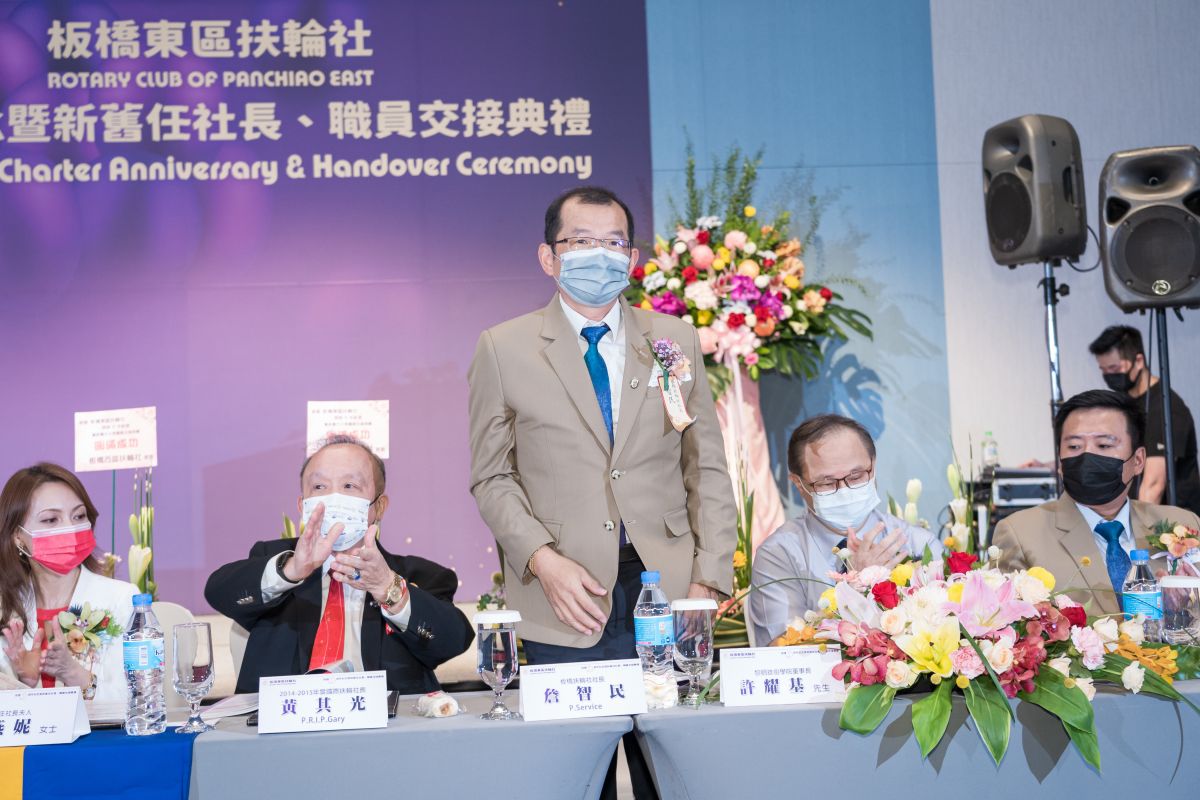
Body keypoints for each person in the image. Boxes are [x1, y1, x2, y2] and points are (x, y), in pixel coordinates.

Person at [468, 186, 736, 799]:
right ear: (549, 257)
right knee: (576, 781)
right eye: (581, 241)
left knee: (674, 778)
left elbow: (707, 468)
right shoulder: (503, 348)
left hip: (669, 593)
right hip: (566, 597)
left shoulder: (673, 339)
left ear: (633, 258)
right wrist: (543, 560)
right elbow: (492, 476)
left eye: (614, 242)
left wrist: (709, 581)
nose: (600, 255)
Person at [205, 436, 472, 693]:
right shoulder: (276, 560)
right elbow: (218, 592)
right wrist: (291, 571)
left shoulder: (419, 575)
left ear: (379, 506)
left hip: (383, 720)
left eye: (349, 486)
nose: (333, 497)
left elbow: (454, 641)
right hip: (285, 718)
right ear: (302, 505)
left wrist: (389, 589)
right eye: (319, 487)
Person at [995, 390, 1200, 614]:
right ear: (1060, 462)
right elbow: (1011, 624)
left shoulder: (1184, 525)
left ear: (1138, 460)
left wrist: (1181, 610)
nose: (1087, 456)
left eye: (1103, 445)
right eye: (1074, 446)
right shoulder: (1020, 535)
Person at [749, 415, 941, 645]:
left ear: (873, 466)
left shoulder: (917, 544)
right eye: (827, 483)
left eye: (856, 476)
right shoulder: (779, 554)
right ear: (799, 484)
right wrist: (853, 590)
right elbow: (779, 652)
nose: (844, 490)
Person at [0, 463, 138, 703]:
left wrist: (74, 674)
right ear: (18, 537)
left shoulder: (122, 599)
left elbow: (139, 697)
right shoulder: (6, 608)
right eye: (51, 519)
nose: (70, 529)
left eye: (79, 516)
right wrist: (26, 684)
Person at [1090, 324, 1200, 515]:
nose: (1109, 375)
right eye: (1104, 370)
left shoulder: (1166, 409)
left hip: (1172, 525)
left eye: (1114, 368)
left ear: (1139, 361)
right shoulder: (1124, 403)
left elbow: (1153, 487)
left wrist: (1137, 531)